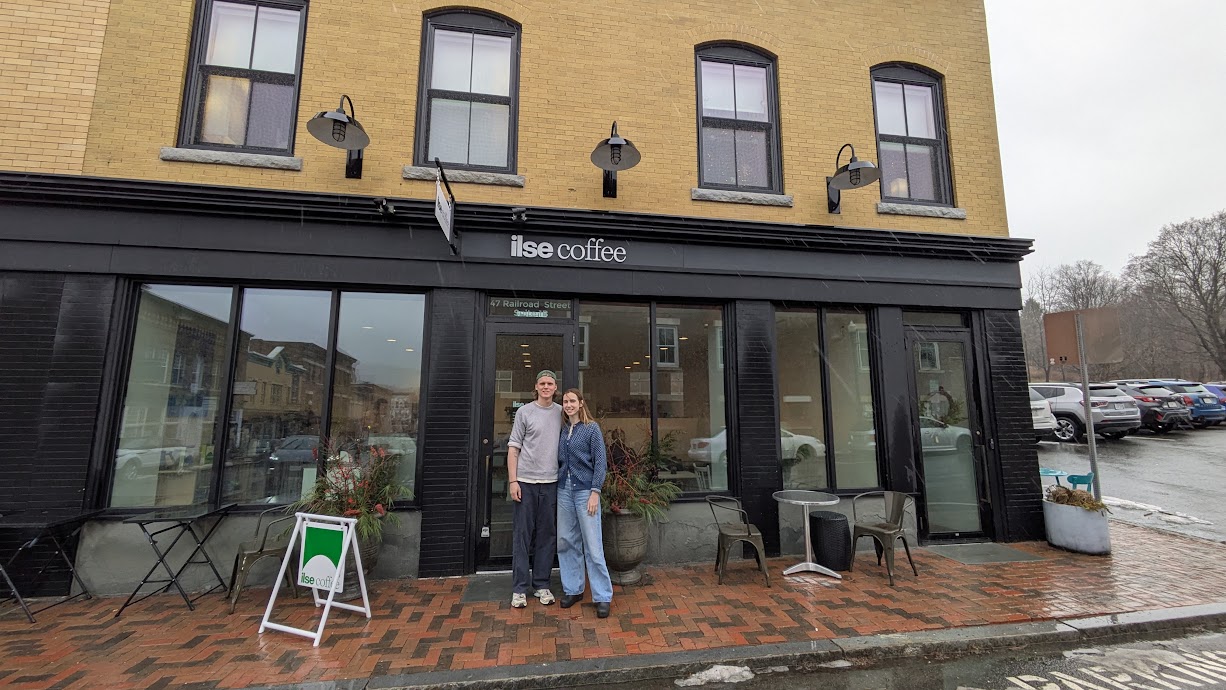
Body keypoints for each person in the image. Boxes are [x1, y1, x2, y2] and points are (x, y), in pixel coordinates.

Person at [506, 369, 563, 608]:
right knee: (522, 535)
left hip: (551, 483)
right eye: (543, 383)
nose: (546, 387)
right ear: (536, 387)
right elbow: (513, 448)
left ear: (555, 387)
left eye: (550, 383)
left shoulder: (561, 412)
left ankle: (541, 584)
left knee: (547, 536)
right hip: (526, 482)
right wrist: (513, 481)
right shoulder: (524, 412)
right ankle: (519, 589)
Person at [556, 388, 613, 618]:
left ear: (581, 403)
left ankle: (602, 596)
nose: (568, 404)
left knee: (593, 544)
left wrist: (595, 492)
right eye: (565, 401)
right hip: (563, 490)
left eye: (572, 401)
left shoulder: (592, 429)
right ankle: (573, 589)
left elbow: (600, 462)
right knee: (566, 540)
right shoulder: (562, 430)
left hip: (585, 491)